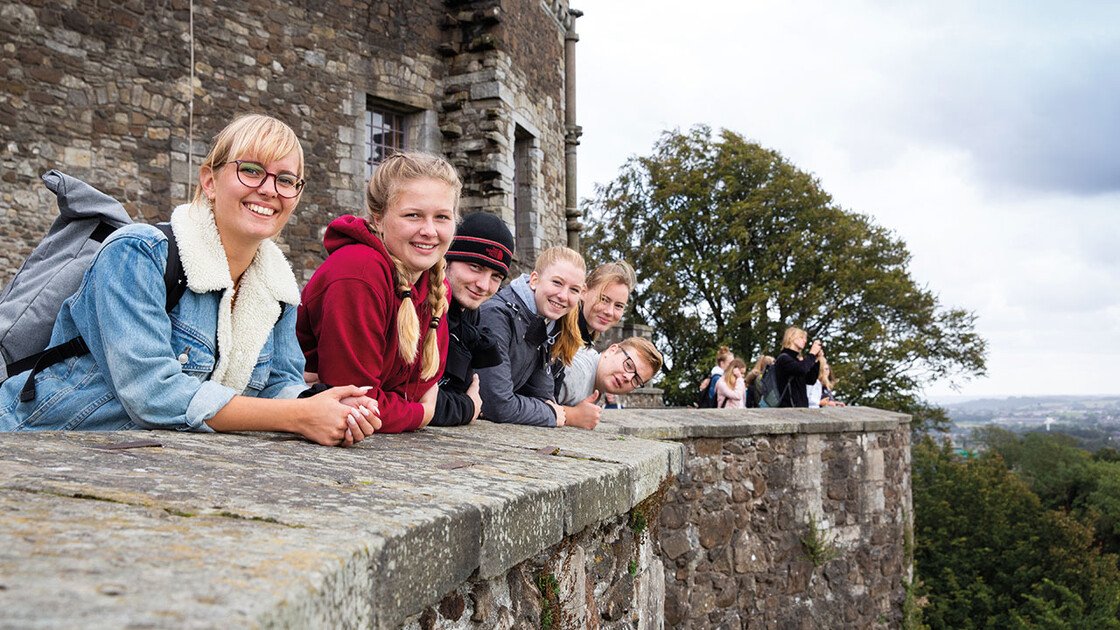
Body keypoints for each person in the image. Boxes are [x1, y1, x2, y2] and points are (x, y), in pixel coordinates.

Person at [0, 114, 379, 446]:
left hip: (142, 461)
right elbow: (152, 394)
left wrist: (326, 406)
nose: (268, 189)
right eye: (250, 170)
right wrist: (297, 418)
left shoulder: (277, 287)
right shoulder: (138, 254)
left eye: (285, 180)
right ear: (210, 182)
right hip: (38, 440)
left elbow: (276, 383)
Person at [297, 152, 455, 433]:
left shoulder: (436, 286)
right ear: (378, 219)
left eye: (442, 217)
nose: (429, 231)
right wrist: (423, 414)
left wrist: (403, 402)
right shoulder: (358, 272)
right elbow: (354, 403)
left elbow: (418, 387)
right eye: (413, 215)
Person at [476, 246, 594, 428]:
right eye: (557, 282)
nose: (563, 296)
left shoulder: (542, 323)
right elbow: (497, 404)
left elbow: (544, 396)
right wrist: (549, 414)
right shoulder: (497, 315)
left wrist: (547, 410)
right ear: (534, 280)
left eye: (574, 290)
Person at [429, 212, 515, 427]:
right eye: (475, 267)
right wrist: (468, 407)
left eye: (496, 276)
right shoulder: (423, 304)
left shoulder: (469, 312)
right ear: (447, 259)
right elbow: (414, 398)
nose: (484, 285)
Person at [557, 337, 662, 411]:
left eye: (636, 380)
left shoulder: (596, 381)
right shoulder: (577, 374)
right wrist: (572, 416)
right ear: (612, 350)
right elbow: (540, 406)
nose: (628, 378)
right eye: (629, 365)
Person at [578, 261, 636, 344]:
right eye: (603, 299)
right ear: (583, 292)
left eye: (619, 306)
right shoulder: (557, 332)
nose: (609, 312)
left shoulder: (584, 340)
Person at [774, 326, 821, 408]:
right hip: (788, 408)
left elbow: (810, 380)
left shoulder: (796, 360)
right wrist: (812, 353)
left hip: (800, 407)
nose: (805, 341)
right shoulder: (784, 358)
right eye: (801, 337)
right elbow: (801, 369)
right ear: (791, 337)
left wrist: (816, 360)